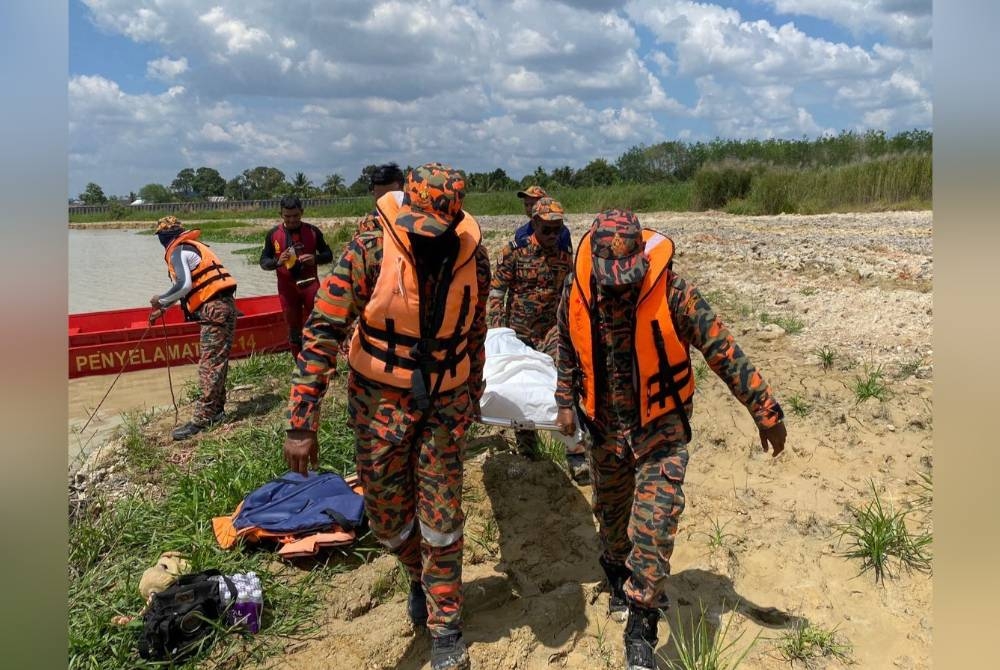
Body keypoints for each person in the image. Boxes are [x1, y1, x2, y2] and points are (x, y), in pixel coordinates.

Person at [553, 210, 787, 670]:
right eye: (611, 281)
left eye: (627, 280)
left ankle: (642, 627)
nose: (619, 290)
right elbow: (566, 342)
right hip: (604, 431)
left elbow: (723, 350)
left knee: (654, 528)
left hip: (660, 431)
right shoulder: (576, 289)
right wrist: (564, 399)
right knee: (613, 522)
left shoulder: (674, 291)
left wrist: (765, 409)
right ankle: (616, 572)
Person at [282, 163, 490, 670]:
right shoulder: (371, 249)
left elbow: (476, 333)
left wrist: (474, 392)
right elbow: (323, 330)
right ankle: (418, 574)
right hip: (379, 402)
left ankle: (446, 629)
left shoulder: (474, 259)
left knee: (442, 519)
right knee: (387, 519)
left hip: (445, 402)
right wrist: (302, 419)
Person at [486, 197, 589, 483]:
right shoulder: (514, 253)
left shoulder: (564, 255)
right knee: (521, 391)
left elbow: (572, 295)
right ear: (534, 224)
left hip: (550, 332)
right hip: (518, 334)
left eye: (558, 229)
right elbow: (496, 294)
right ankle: (528, 451)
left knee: (565, 383)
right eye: (547, 230)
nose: (553, 235)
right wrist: (498, 333)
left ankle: (577, 454)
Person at [148, 216, 239, 441]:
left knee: (209, 365)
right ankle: (216, 411)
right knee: (217, 363)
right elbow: (190, 287)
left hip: (214, 310)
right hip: (224, 306)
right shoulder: (192, 247)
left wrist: (160, 300)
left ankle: (203, 418)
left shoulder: (178, 251)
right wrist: (164, 308)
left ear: (163, 237)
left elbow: (183, 285)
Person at [259, 195, 334, 358]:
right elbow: (263, 262)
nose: (292, 220)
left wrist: (315, 259)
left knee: (319, 325)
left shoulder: (313, 232)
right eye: (287, 216)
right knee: (293, 329)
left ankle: (320, 360)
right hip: (287, 290)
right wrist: (278, 262)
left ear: (302, 212)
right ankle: (299, 363)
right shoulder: (273, 235)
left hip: (311, 286)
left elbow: (328, 255)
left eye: (296, 215)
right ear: (281, 214)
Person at [514, 185, 572, 252]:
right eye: (526, 205)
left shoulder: (563, 232)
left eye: (533, 204)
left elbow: (567, 255)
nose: (529, 209)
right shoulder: (521, 233)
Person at [356, 162, 405, 235]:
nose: (386, 203)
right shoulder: (369, 223)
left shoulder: (413, 221)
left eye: (390, 197)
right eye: (381, 199)